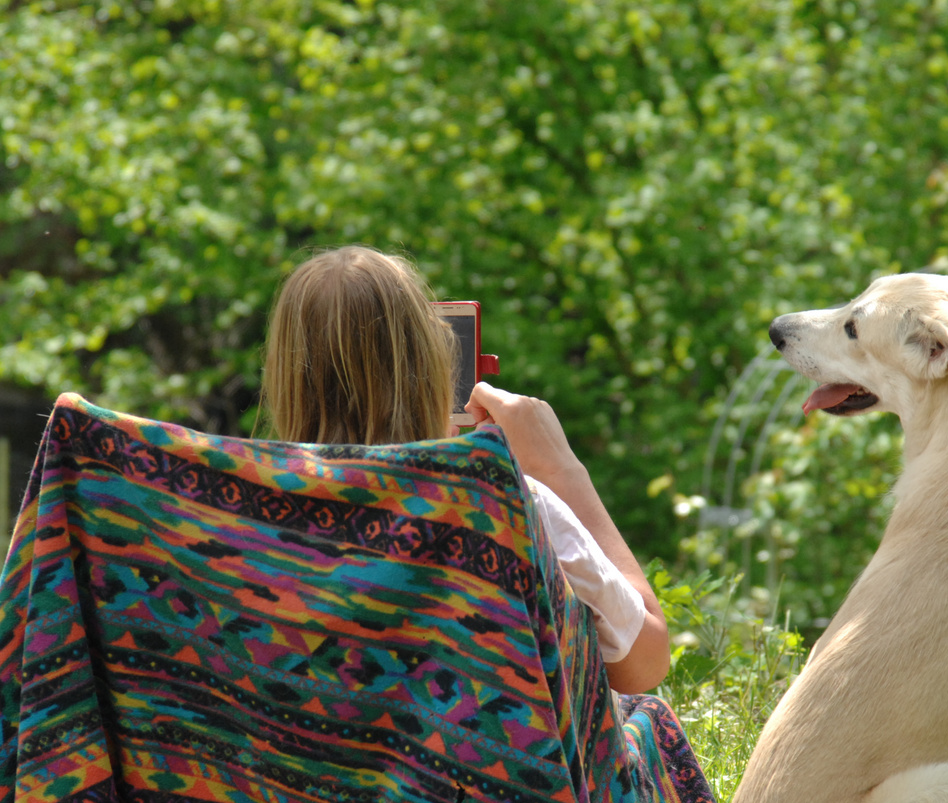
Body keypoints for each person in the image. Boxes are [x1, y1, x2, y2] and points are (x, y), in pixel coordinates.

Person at [258, 244, 671, 694]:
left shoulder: (239, 510)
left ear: (281, 374)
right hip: (481, 761)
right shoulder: (507, 505)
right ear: (436, 367)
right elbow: (644, 663)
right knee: (652, 719)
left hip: (294, 759)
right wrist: (562, 469)